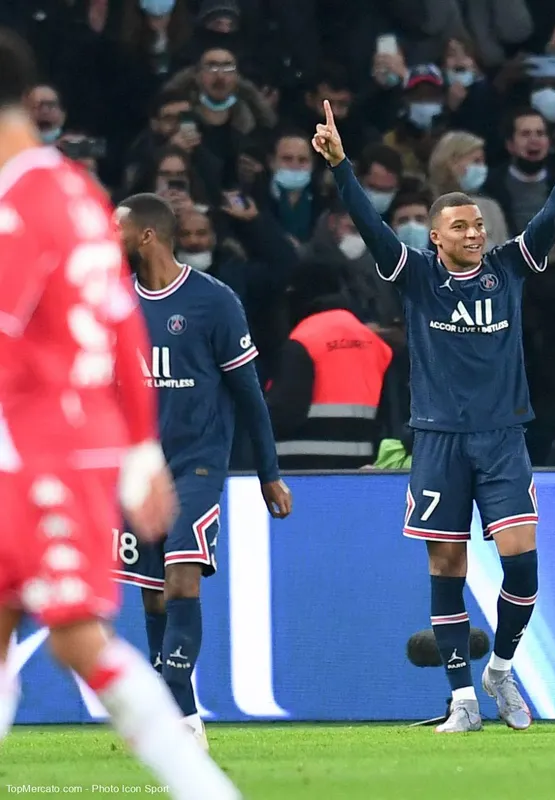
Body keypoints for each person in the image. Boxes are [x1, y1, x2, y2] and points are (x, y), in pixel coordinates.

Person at [312, 83, 555, 733]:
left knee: (522, 561)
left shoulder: (510, 266)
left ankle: (500, 668)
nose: (475, 232)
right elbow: (368, 223)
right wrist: (339, 165)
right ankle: (464, 700)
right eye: (461, 227)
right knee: (446, 565)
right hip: (439, 440)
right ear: (437, 239)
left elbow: (554, 214)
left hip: (502, 437)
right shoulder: (416, 275)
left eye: (477, 223)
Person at [0, 30, 239, 799]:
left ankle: (202, 787)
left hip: (39, 446)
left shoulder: (19, 206)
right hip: (70, 439)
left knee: (74, 633)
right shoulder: (75, 190)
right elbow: (121, 328)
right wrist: (137, 449)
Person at [113, 193, 292, 749]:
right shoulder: (112, 304)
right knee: (151, 593)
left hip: (198, 465)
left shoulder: (213, 302)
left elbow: (248, 393)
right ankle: (177, 713)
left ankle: (179, 709)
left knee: (181, 575)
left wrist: (269, 472)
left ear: (146, 236)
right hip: (137, 469)